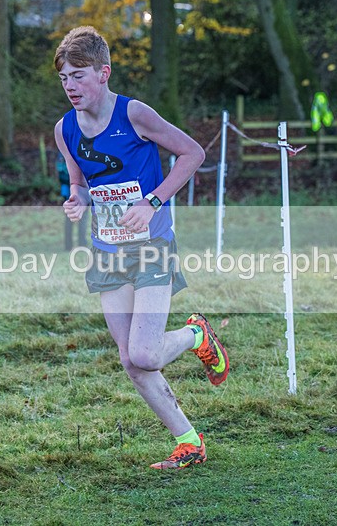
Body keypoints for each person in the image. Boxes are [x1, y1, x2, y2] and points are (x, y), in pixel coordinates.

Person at [52, 26, 229, 470]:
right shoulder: (64, 128)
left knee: (145, 353)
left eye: (78, 75)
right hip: (107, 250)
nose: (70, 86)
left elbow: (192, 154)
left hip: (151, 244)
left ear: (103, 73)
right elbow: (82, 182)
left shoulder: (135, 115)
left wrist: (152, 202)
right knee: (131, 360)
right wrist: (76, 199)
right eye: (64, 78)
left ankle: (196, 335)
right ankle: (189, 442)